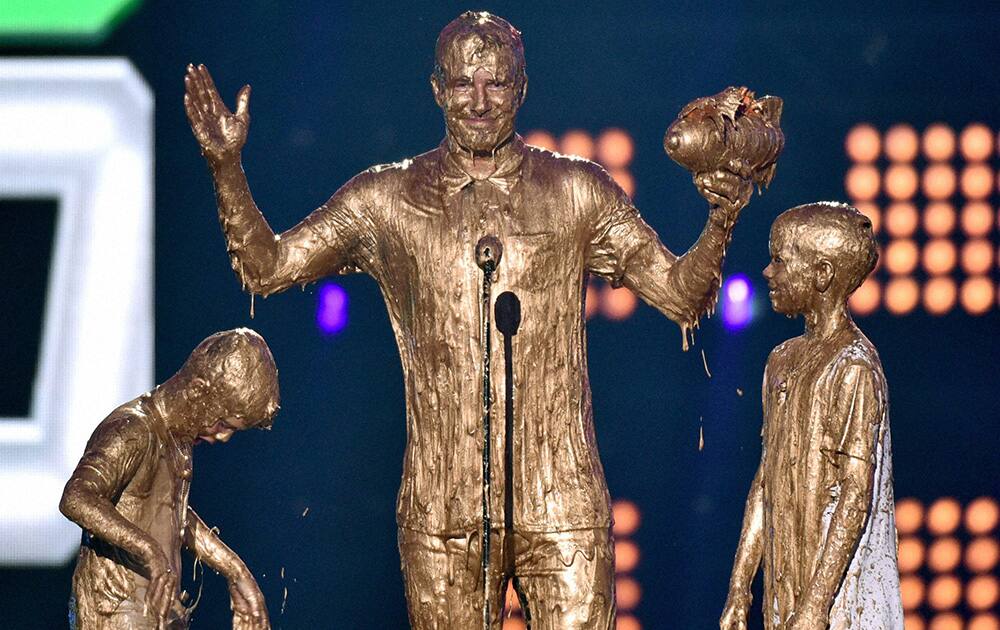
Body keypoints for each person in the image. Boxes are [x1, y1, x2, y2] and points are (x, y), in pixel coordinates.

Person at [185, 11, 753, 628]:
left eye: (497, 84)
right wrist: (226, 168)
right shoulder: (387, 199)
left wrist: (720, 219)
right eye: (463, 85)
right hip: (442, 511)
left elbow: (678, 295)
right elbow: (267, 266)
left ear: (523, 86)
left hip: (560, 502)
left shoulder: (576, 190)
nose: (480, 102)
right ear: (436, 89)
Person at [720, 202, 903, 630]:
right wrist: (739, 588)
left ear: (821, 274)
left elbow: (856, 495)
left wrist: (815, 607)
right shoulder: (780, 360)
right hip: (785, 593)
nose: (767, 272)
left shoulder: (854, 367)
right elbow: (765, 481)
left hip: (835, 606)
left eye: (780, 260)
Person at [60, 329, 279, 630]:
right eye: (221, 423)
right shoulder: (132, 429)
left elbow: (170, 513)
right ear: (199, 391)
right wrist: (148, 550)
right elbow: (77, 497)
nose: (224, 437)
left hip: (157, 613)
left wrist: (236, 572)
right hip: (117, 613)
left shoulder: (177, 441)